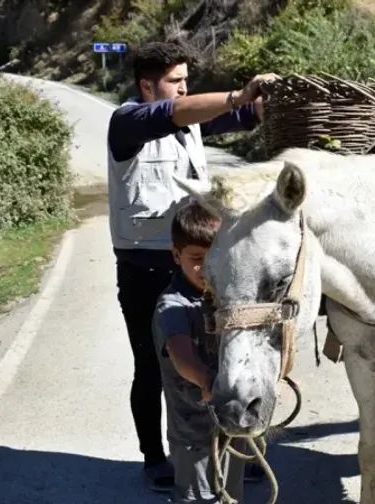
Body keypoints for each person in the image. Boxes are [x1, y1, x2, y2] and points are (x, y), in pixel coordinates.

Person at [106, 41, 276, 491]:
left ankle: (236, 449)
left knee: (223, 359)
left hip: (200, 266)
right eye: (175, 81)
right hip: (145, 271)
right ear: (147, 85)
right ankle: (154, 459)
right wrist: (238, 96)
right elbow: (179, 113)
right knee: (153, 368)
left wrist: (267, 101)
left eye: (186, 81)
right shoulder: (126, 123)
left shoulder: (189, 122)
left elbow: (243, 115)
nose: (184, 89)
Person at [153, 201, 246, 504]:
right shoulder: (173, 305)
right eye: (197, 258)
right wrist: (207, 380)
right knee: (199, 497)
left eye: (215, 257)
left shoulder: (232, 295)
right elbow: (181, 355)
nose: (207, 268)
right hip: (193, 431)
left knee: (232, 494)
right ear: (176, 255)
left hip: (233, 420)